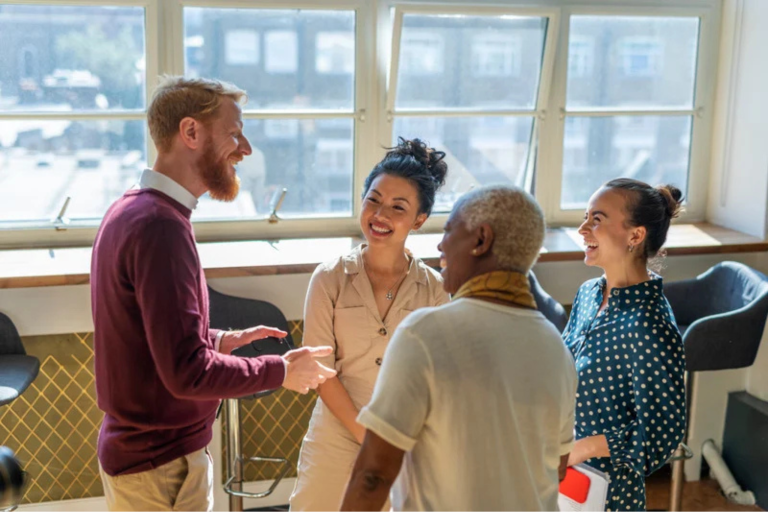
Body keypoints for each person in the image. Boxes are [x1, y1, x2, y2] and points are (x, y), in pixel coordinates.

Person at [90, 76, 336, 512]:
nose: (246, 149)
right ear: (190, 133)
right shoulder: (160, 227)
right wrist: (281, 371)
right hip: (161, 468)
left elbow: (151, 336)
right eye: (234, 133)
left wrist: (217, 340)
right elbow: (186, 373)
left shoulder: (133, 209)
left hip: (144, 458)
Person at [341, 185, 577, 511]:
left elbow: (374, 475)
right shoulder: (556, 348)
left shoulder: (425, 334)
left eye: (450, 230)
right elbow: (558, 466)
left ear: (481, 240)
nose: (440, 244)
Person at [289, 138, 451, 511]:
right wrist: (367, 436)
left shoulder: (436, 290)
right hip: (335, 432)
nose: (381, 215)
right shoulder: (328, 278)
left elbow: (441, 378)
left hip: (406, 439)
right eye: (373, 200)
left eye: (398, 207)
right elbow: (321, 373)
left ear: (419, 220)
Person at [563, 178, 686, 511]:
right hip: (563, 476)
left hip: (607, 493)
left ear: (635, 235)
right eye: (586, 217)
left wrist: (581, 449)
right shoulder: (589, 293)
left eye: (597, 219)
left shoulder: (649, 325)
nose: (583, 228)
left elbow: (662, 433)